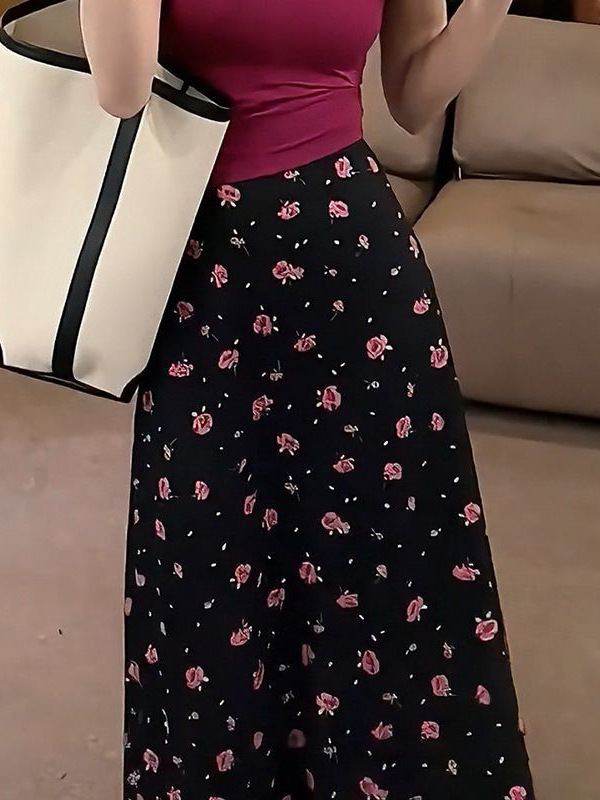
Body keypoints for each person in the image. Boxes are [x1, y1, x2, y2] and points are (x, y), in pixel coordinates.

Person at [81, 1, 536, 798]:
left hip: (357, 275)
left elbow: (413, 96)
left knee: (390, 571)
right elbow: (122, 89)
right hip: (204, 276)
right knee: (206, 571)